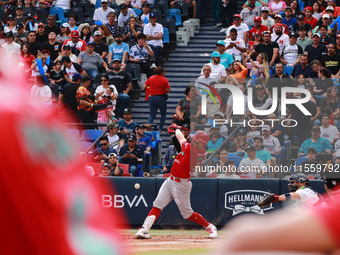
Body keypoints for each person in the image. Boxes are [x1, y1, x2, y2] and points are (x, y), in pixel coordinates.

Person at [135, 129, 218, 239]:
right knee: (157, 205)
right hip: (171, 180)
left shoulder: (191, 149)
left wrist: (177, 129)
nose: (192, 141)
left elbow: (179, 137)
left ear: (201, 144)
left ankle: (210, 226)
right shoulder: (194, 148)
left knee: (187, 214)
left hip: (181, 184)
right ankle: (145, 229)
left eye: (195, 140)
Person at [143, 66, 170, 131]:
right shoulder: (164, 79)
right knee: (163, 114)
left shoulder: (151, 78)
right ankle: (160, 128)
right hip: (161, 98)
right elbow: (168, 90)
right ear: (162, 73)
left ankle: (148, 128)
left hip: (152, 98)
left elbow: (144, 87)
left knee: (152, 115)